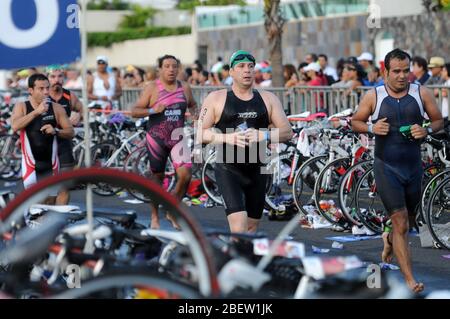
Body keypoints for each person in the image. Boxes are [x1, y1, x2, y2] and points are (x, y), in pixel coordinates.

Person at [351, 48, 443, 293]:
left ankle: (389, 239)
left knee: (409, 223)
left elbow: (438, 120)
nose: (402, 76)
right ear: (385, 72)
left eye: (406, 70)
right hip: (386, 166)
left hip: (413, 167)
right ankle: (410, 279)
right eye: (397, 72)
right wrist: (371, 128)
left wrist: (427, 131)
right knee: (400, 221)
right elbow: (355, 121)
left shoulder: (421, 93)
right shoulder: (375, 96)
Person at [198, 50, 293, 233]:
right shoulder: (216, 99)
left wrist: (263, 135)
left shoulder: (268, 98)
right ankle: (235, 259)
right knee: (239, 226)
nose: (247, 70)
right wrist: (227, 137)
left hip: (258, 171)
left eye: (250, 66)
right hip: (229, 170)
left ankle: (244, 260)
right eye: (241, 66)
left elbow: (287, 131)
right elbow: (200, 134)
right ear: (231, 72)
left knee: (251, 228)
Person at [131, 55, 198, 229]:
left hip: (177, 137)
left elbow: (193, 104)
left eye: (174, 66)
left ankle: (171, 209)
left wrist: (197, 118)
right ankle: (154, 216)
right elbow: (135, 111)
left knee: (186, 176)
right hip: (156, 139)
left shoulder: (184, 87)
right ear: (160, 69)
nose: (171, 69)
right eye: (167, 66)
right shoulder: (152, 88)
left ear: (178, 69)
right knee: (157, 179)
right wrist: (152, 109)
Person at [11, 74, 74, 189]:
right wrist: (37, 112)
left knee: (51, 200)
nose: (46, 92)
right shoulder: (22, 107)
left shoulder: (56, 108)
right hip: (30, 164)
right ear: (31, 90)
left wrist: (56, 131)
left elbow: (70, 132)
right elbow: (15, 126)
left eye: (47, 88)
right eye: (41, 88)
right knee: (34, 202)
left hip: (52, 163)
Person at [47, 66, 84, 205]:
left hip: (64, 144)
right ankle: (46, 222)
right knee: (48, 189)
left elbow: (83, 110)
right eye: (53, 77)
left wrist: (78, 116)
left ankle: (59, 221)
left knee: (64, 187)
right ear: (47, 78)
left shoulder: (69, 96)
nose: (57, 80)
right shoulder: (43, 97)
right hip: (46, 145)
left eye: (60, 76)